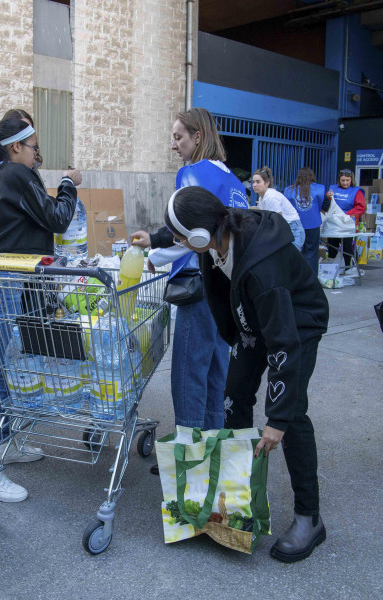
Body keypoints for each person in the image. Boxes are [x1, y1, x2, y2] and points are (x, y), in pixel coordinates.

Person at [164, 186, 329, 562]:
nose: (177, 241)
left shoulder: (262, 267)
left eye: (179, 235)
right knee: (233, 398)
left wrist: (277, 418)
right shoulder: (217, 239)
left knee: (293, 414)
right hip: (254, 322)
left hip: (298, 325)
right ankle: (238, 502)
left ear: (202, 235)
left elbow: (284, 342)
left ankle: (309, 517)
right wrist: (154, 237)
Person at [0, 116, 82, 502]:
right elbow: (58, 218)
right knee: (2, 379)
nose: (37, 155)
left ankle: (8, 446)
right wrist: (68, 184)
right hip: (5, 285)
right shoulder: (16, 173)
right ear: (16, 147)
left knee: (13, 373)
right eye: (34, 147)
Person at [129, 108, 250, 476]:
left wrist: (155, 255)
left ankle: (187, 460)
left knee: (187, 374)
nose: (174, 144)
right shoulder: (235, 181)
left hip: (199, 287)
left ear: (198, 137)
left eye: (179, 137)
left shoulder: (192, 173)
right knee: (216, 372)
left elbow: (190, 233)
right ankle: (210, 455)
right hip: (228, 288)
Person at [284, 167, 329, 275]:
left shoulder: (289, 190)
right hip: (313, 224)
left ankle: (297, 277)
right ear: (312, 176)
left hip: (295, 225)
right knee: (312, 253)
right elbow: (326, 206)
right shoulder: (320, 189)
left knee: (296, 252)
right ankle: (312, 279)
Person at [252, 166, 305, 250]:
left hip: (293, 229)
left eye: (258, 182)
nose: (254, 185)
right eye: (253, 182)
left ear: (267, 183)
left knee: (289, 261)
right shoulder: (261, 197)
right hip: (286, 229)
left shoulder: (271, 197)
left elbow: (278, 220)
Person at [325, 168, 366, 266]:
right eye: (343, 180)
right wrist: (328, 196)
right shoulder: (333, 188)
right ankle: (332, 269)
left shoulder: (356, 191)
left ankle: (349, 268)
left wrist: (347, 214)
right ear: (339, 180)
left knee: (347, 247)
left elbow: (361, 207)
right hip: (333, 223)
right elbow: (325, 203)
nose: (345, 183)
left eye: (347, 180)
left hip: (347, 223)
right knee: (332, 247)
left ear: (351, 180)